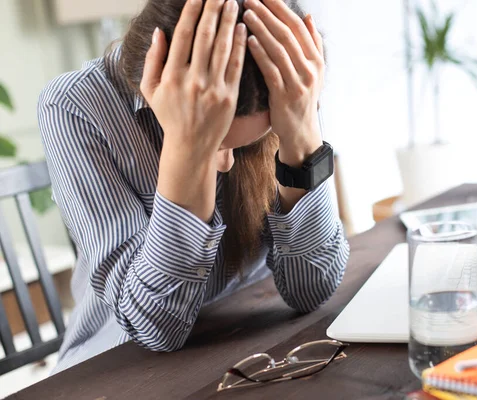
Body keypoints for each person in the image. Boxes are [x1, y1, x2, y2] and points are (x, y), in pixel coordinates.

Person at [38, 0, 349, 374]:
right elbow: (154, 328)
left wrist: (301, 136)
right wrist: (189, 156)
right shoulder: (75, 105)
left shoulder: (281, 77)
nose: (229, 164)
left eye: (247, 144)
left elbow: (311, 289)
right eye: (221, 146)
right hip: (121, 367)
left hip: (246, 338)